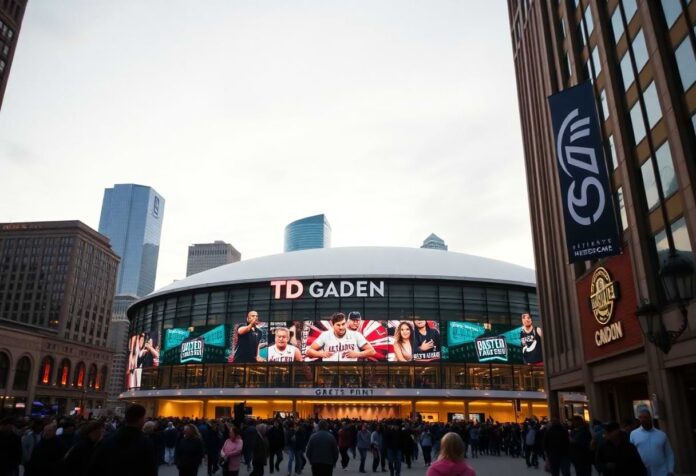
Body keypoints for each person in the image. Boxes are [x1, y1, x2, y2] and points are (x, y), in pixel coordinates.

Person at [87, 403, 158, 476]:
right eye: (144, 418)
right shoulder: (146, 443)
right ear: (140, 420)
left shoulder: (108, 439)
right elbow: (151, 470)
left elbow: (94, 467)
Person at [306, 313, 376, 362]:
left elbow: (372, 351)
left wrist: (357, 354)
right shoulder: (325, 335)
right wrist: (322, 354)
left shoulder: (355, 335)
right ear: (333, 325)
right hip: (329, 371)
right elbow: (309, 352)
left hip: (351, 370)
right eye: (338, 325)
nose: (341, 327)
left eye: (343, 324)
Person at [629, 409, 674, 476]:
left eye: (645, 417)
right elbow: (631, 454)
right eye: (640, 418)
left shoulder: (661, 435)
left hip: (661, 472)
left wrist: (670, 470)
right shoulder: (633, 434)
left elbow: (669, 454)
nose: (643, 420)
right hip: (642, 472)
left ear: (650, 418)